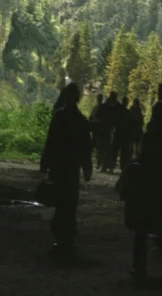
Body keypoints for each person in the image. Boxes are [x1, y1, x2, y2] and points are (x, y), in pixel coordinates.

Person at [126, 100, 162, 281]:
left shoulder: (149, 135)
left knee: (142, 229)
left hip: (147, 185)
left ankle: (140, 267)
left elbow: (142, 158)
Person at [40, 81, 93, 258]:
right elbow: (86, 148)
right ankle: (67, 239)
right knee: (70, 204)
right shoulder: (81, 121)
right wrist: (87, 168)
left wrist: (45, 162)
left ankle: (60, 239)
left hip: (58, 167)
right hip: (71, 169)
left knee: (60, 203)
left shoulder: (59, 117)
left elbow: (51, 141)